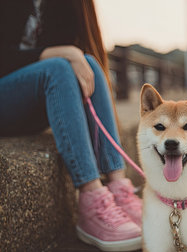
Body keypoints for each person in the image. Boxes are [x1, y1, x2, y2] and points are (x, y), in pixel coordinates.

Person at [0, 0, 142, 250]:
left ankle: (118, 188)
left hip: (26, 106)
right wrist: (60, 53)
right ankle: (91, 197)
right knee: (57, 67)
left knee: (90, 65)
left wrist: (71, 55)